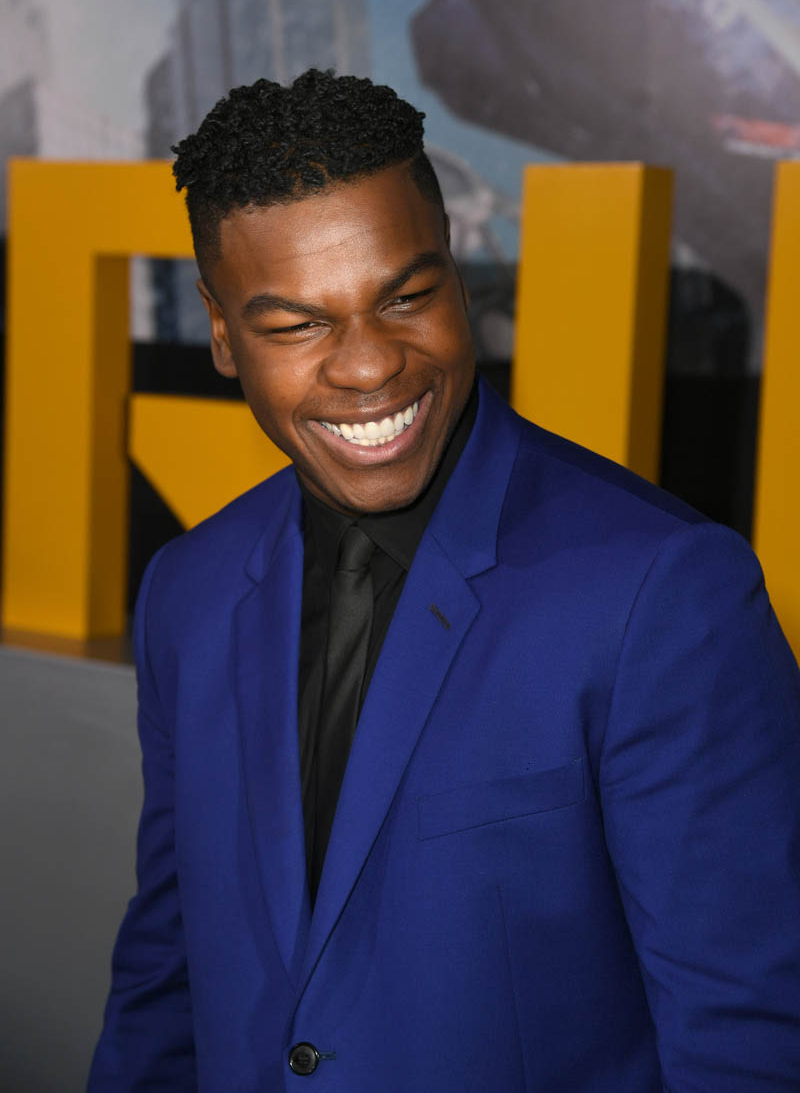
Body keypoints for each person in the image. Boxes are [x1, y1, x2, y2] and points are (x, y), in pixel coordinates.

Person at [89, 70, 800, 1092]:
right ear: (219, 330)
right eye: (297, 325)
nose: (369, 366)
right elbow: (165, 976)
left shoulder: (664, 593)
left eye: (406, 297)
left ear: (456, 275)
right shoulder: (187, 592)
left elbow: (749, 1038)